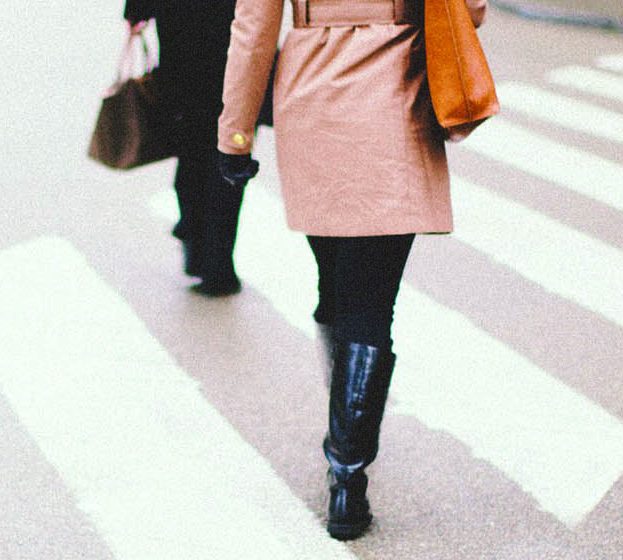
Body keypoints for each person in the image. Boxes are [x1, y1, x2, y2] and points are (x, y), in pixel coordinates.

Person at [215, 0, 487, 541]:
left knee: (335, 290)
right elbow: (472, 9)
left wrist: (236, 133)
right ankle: (347, 474)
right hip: (396, 96)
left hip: (313, 96)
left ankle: (346, 437)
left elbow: (253, 28)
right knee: (370, 303)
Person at [124, 0, 248, 297]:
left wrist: (137, 10)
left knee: (192, 146)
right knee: (228, 152)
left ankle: (195, 237)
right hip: (235, 39)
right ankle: (218, 261)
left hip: (182, 41)